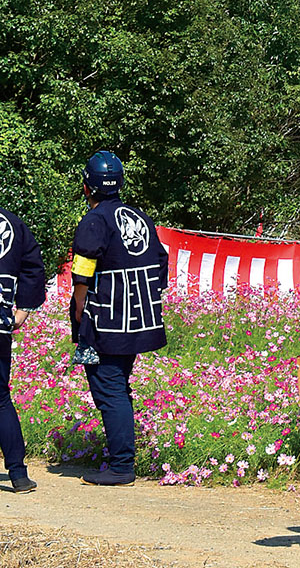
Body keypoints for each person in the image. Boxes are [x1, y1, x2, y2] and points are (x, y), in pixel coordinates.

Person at [70, 151, 169, 486]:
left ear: (87, 187)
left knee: (109, 388)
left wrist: (80, 310)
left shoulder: (95, 220)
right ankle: (122, 456)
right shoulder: (138, 216)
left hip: (107, 320)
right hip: (138, 320)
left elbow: (83, 269)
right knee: (118, 385)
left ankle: (122, 465)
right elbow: (161, 262)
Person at [0, 206, 45, 492]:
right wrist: (24, 308)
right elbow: (33, 265)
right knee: (1, 399)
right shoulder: (12, 223)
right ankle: (18, 474)